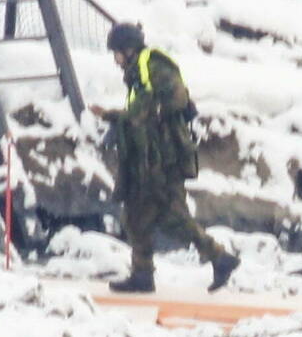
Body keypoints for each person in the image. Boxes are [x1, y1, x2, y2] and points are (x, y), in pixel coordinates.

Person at [96, 21, 237, 295]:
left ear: (127, 49)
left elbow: (170, 102)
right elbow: (143, 111)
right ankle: (142, 276)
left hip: (164, 162)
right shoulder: (139, 73)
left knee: (173, 218)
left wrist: (113, 116)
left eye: (116, 52)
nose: (115, 60)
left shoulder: (155, 65)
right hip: (148, 161)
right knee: (137, 215)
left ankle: (220, 258)